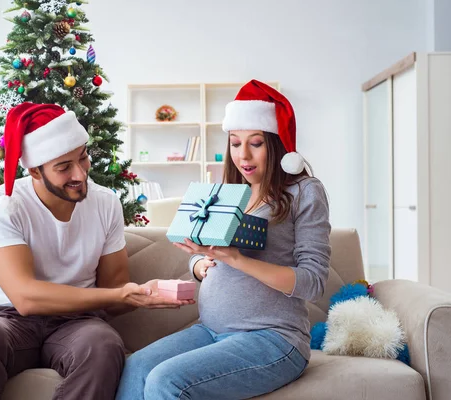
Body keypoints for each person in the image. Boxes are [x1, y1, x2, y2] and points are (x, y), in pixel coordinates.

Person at [0, 102, 194, 400]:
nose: (80, 174)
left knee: (103, 344)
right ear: (35, 170)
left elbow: (115, 291)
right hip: (9, 320)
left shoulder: (105, 203)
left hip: (78, 322)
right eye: (63, 167)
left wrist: (141, 295)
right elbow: (25, 298)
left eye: (83, 158)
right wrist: (119, 294)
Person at [116, 80, 331, 399]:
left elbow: (313, 282)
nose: (243, 154)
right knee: (136, 368)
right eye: (234, 142)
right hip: (210, 331)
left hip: (273, 338)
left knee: (166, 381)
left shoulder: (304, 192)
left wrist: (238, 260)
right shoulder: (231, 194)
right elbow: (213, 253)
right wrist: (200, 263)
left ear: (275, 144)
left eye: (255, 143)